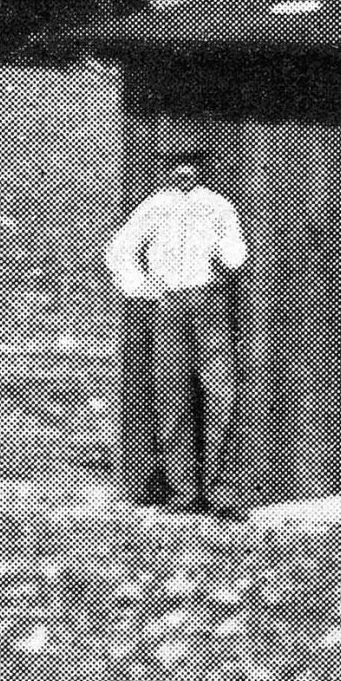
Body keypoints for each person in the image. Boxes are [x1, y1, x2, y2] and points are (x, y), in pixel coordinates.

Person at [105, 152, 248, 512]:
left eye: (192, 170)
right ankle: (183, 492)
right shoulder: (153, 208)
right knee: (171, 393)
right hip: (168, 305)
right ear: (168, 173)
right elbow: (119, 252)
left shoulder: (217, 207)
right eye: (177, 170)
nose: (185, 176)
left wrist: (223, 253)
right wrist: (142, 286)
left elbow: (236, 253)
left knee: (220, 392)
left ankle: (218, 490)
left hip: (210, 301)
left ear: (201, 173)